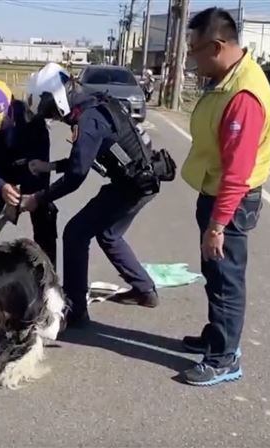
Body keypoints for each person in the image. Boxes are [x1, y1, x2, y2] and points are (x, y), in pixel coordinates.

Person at [20, 63, 176, 328]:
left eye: (49, 110)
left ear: (57, 98)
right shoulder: (92, 106)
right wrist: (49, 167)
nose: (52, 117)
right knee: (109, 234)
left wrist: (38, 198)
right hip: (140, 181)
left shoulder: (89, 120)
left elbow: (76, 176)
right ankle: (145, 291)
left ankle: (76, 311)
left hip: (133, 185)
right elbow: (83, 157)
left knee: (75, 233)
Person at [177, 7, 270, 387]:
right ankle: (216, 336)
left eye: (195, 51)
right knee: (214, 275)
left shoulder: (244, 95)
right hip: (216, 192)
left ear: (217, 46)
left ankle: (224, 358)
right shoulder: (227, 79)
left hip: (230, 203)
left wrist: (217, 224)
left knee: (226, 279)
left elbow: (237, 171)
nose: (192, 59)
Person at [0, 79, 58, 264]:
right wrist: (0, 187)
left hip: (31, 165)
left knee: (44, 218)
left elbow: (40, 157)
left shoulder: (30, 117)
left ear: (10, 103)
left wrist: (31, 196)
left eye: (0, 119)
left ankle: (48, 275)